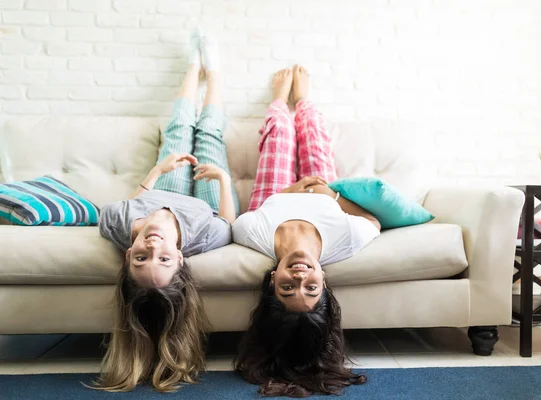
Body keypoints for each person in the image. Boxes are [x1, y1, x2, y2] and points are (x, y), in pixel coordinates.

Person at [94, 29, 238, 392]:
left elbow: (132, 201)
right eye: (163, 260)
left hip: (161, 190)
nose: (153, 248)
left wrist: (157, 171)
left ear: (128, 255)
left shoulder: (117, 223)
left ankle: (193, 66)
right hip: (201, 203)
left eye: (142, 259)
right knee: (208, 134)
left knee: (177, 131)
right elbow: (228, 223)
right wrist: (221, 179)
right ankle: (215, 75)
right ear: (179, 257)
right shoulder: (204, 238)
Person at [233, 65, 381, 397]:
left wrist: (289, 192)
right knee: (315, 141)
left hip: (273, 198)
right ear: (324, 283)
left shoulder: (254, 235)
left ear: (272, 282)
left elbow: (244, 218)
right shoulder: (346, 240)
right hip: (323, 195)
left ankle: (278, 101)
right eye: (310, 287)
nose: (300, 276)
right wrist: (332, 195)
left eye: (288, 288)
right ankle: (303, 100)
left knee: (280, 137)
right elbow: (374, 222)